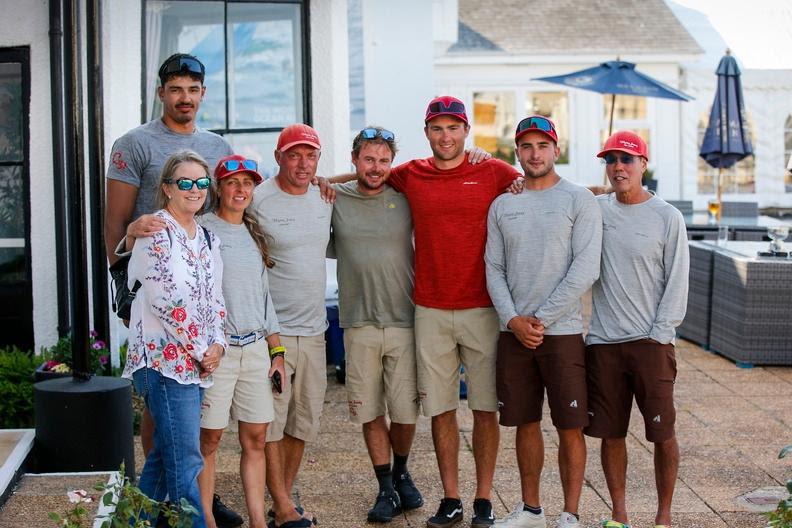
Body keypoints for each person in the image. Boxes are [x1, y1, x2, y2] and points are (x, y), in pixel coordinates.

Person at [104, 52, 239, 528]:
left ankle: (140, 518)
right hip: (156, 303)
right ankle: (185, 511)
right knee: (174, 443)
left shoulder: (215, 148)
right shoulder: (134, 144)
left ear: (203, 93)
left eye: (193, 89)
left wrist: (215, 340)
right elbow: (117, 225)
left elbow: (240, 195)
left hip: (194, 315)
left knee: (172, 450)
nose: (185, 97)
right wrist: (127, 293)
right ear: (162, 92)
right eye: (176, 88)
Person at [385, 96, 521, 528]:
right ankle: (451, 498)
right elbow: (369, 175)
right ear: (427, 133)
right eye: (437, 129)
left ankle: (483, 499)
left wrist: (616, 190)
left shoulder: (494, 171)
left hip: (482, 307)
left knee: (484, 408)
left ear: (467, 132)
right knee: (440, 409)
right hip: (430, 308)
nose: (446, 136)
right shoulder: (411, 174)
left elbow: (544, 184)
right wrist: (320, 182)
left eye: (453, 128)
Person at [485, 116, 602, 528]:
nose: (535, 153)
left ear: (557, 150)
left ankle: (570, 514)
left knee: (571, 424)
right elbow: (493, 267)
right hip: (513, 332)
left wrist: (541, 318)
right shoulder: (503, 204)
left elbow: (585, 267)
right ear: (517, 152)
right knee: (524, 421)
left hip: (562, 332)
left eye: (542, 145)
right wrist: (513, 319)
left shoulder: (578, 200)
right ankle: (531, 509)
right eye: (527, 146)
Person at [585, 131, 689, 528]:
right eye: (611, 160)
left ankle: (663, 517)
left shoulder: (667, 217)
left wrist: (660, 334)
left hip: (651, 343)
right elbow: (556, 194)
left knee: (663, 433)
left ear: (644, 164)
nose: (618, 167)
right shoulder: (595, 209)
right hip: (604, 344)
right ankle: (619, 514)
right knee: (611, 434)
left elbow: (677, 280)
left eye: (627, 159)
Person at [122, 150, 227, 528]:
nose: (195, 189)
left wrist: (218, 344)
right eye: (185, 182)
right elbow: (166, 299)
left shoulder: (208, 239)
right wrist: (202, 349)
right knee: (186, 461)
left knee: (165, 461)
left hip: (196, 363)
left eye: (201, 182)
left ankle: (131, 523)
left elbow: (215, 297)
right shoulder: (154, 231)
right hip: (163, 362)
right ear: (167, 188)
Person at [329, 127, 422, 523]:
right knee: (368, 410)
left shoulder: (406, 197)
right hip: (358, 320)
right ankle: (385, 487)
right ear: (355, 160)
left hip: (405, 318)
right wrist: (331, 180)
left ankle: (401, 471)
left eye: (384, 160)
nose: (376, 168)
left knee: (405, 413)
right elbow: (306, 185)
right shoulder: (335, 200)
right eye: (369, 159)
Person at [197, 155, 286, 528]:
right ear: (219, 188)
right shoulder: (200, 229)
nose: (240, 190)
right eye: (232, 182)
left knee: (256, 437)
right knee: (210, 441)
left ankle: (257, 521)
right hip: (218, 352)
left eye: (247, 183)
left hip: (254, 350)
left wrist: (276, 352)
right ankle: (206, 521)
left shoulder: (254, 232)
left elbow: (265, 300)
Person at [251, 124, 331, 528]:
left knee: (302, 423)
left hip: (315, 331)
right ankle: (284, 506)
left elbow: (367, 179)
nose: (303, 163)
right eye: (295, 154)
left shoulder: (323, 195)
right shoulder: (258, 199)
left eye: (311, 155)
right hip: (273, 334)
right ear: (279, 156)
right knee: (270, 424)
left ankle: (281, 499)